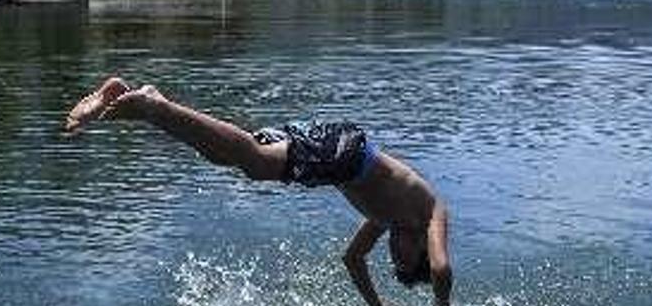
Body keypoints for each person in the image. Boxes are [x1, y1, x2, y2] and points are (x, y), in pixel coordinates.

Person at [67, 78, 453, 306]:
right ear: (421, 247)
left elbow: (352, 260)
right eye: (406, 258)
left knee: (232, 157)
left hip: (336, 153)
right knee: (254, 162)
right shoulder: (430, 211)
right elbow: (441, 269)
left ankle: (149, 103)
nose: (397, 253)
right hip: (345, 153)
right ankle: (155, 106)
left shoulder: (384, 220)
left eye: (396, 261)